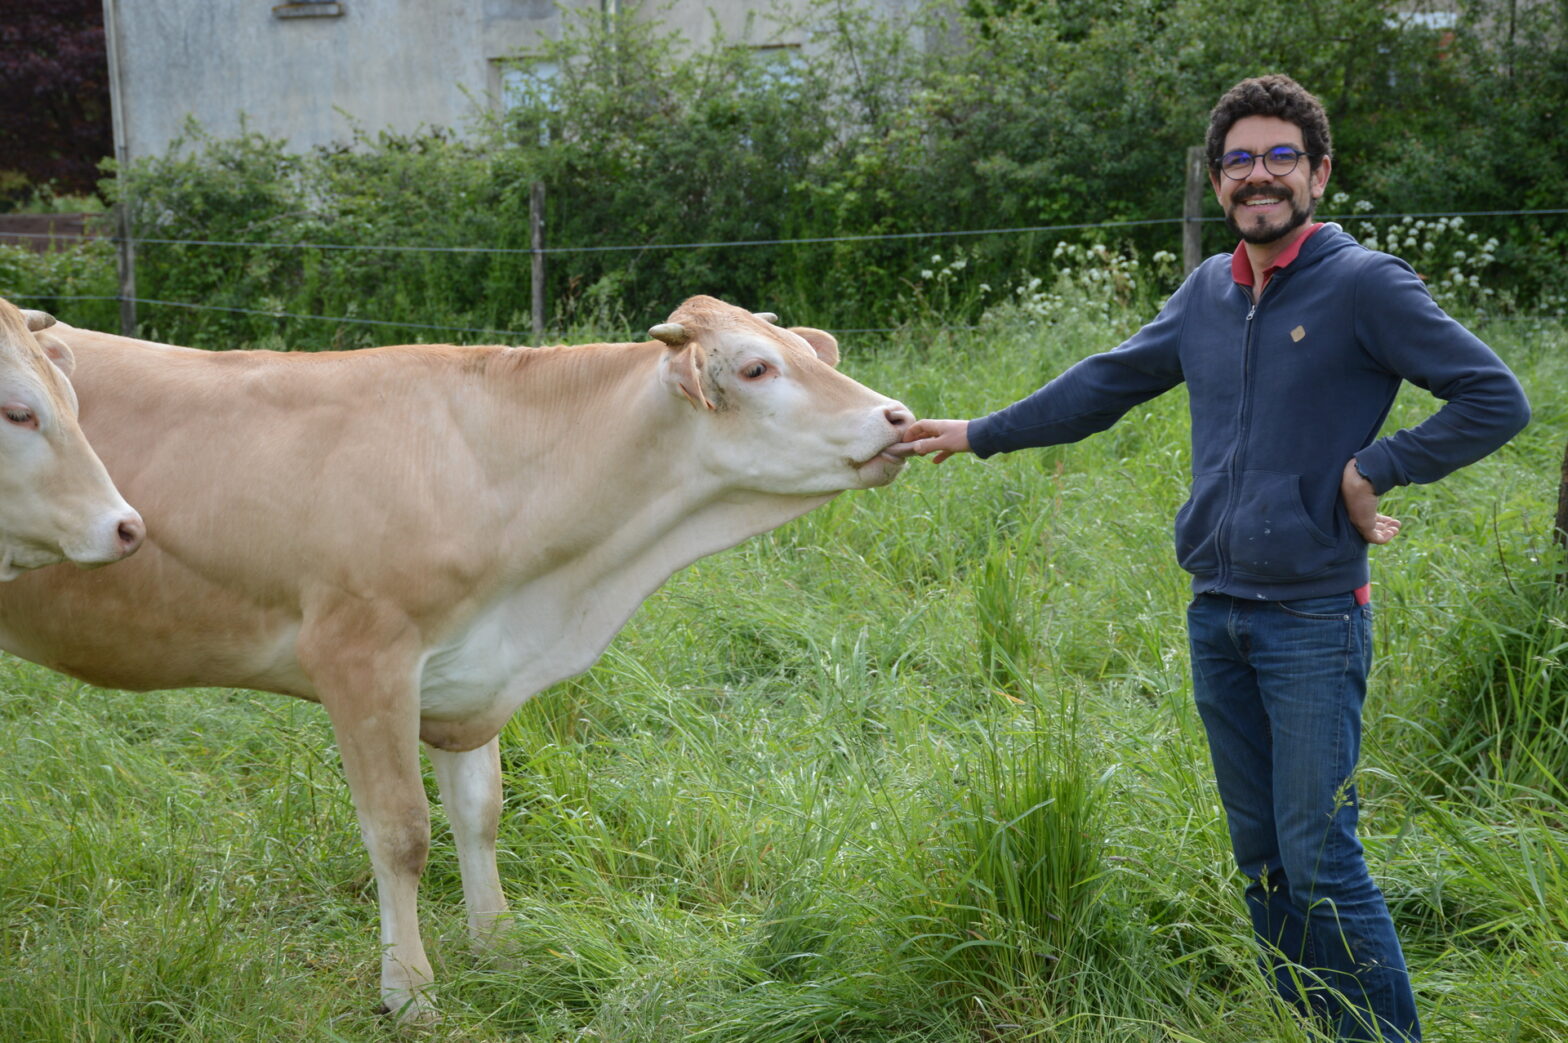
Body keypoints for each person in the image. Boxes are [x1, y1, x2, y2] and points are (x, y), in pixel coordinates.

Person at [896, 74, 1530, 1042]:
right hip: (1217, 609)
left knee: (1318, 854)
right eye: (1237, 161)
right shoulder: (1206, 290)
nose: (1257, 176)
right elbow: (1108, 380)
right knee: (1262, 856)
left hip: (1314, 615)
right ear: (1217, 180)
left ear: (1318, 172)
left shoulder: (1364, 284)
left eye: (1280, 156)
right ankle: (1311, 1025)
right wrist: (981, 430)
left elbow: (1495, 397)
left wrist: (1375, 466)